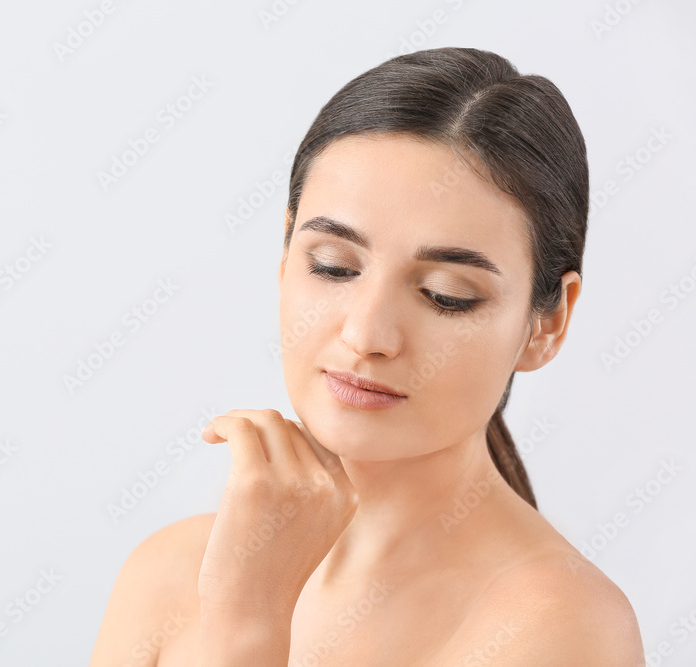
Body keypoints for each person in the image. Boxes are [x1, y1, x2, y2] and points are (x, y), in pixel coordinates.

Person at [89, 46, 645, 665]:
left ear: (547, 322)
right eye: (333, 265)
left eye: (446, 296)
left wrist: (249, 626)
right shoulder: (167, 572)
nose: (367, 333)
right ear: (284, 255)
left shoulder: (562, 626)